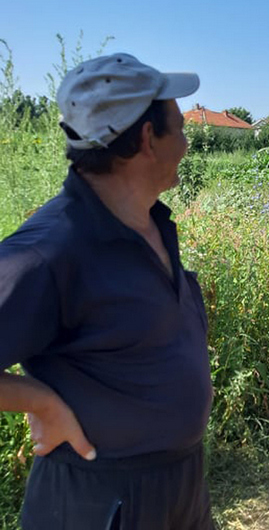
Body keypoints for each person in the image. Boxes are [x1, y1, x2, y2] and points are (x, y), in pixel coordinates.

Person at [0, 53, 214, 529]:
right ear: (146, 139)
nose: (186, 142)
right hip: (102, 504)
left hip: (179, 488)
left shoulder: (149, 223)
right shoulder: (50, 250)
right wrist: (40, 401)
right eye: (179, 127)